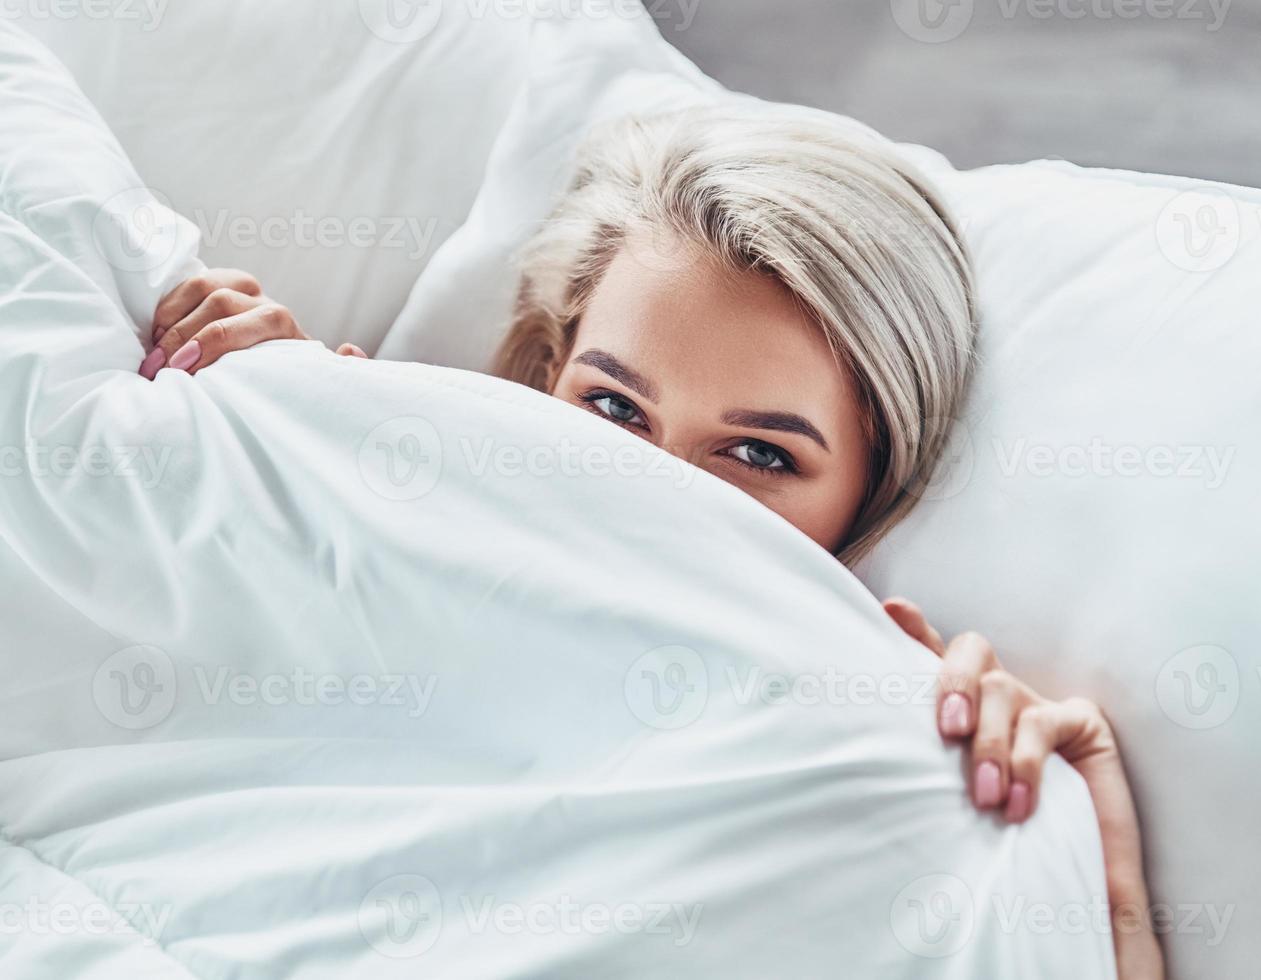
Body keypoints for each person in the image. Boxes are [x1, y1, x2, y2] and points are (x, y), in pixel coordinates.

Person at [139, 105, 1164, 977]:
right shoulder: (366, 516)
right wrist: (290, 432)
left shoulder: (891, 748)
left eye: (759, 454)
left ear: (865, 495)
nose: (651, 484)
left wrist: (1079, 846)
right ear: (546, 378)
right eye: (616, 409)